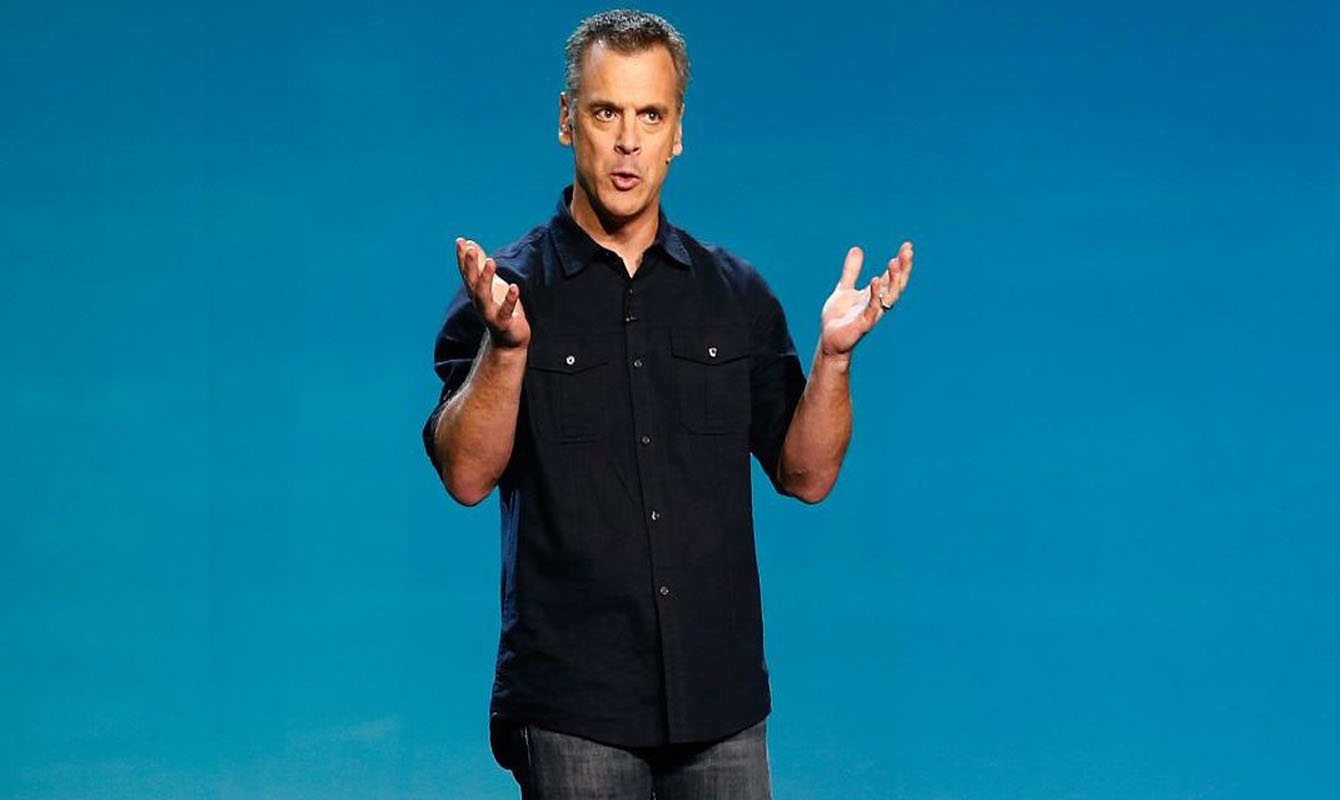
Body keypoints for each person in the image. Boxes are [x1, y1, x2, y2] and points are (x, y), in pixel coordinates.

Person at [421, 9, 912, 799]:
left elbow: (808, 475)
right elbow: (467, 476)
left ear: (678, 132)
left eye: (650, 115)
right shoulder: (504, 293)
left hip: (721, 702)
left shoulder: (735, 296)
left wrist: (834, 358)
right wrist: (507, 349)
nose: (628, 141)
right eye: (605, 112)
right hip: (573, 703)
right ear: (567, 120)